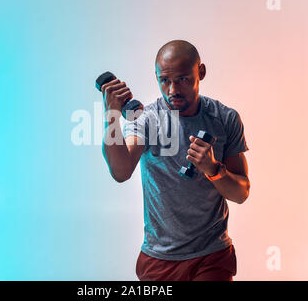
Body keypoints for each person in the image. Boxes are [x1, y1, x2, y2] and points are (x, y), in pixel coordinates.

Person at [101, 39, 250, 281]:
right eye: (165, 80)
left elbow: (241, 193)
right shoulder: (148, 119)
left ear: (200, 72)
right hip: (160, 257)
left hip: (211, 254)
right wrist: (111, 118)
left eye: (182, 79)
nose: (173, 90)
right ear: (156, 77)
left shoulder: (225, 118)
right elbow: (121, 171)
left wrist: (213, 169)